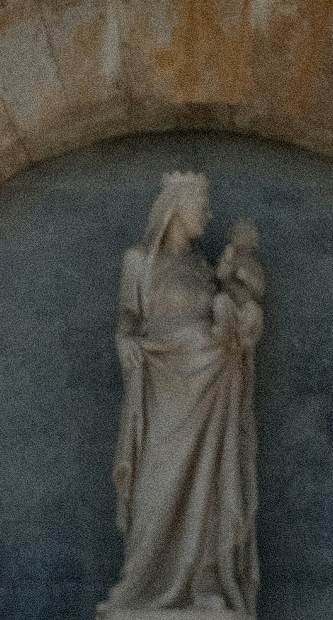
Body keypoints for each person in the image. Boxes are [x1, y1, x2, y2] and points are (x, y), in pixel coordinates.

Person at [102, 172, 263, 618]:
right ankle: (139, 586)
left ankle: (205, 580)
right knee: (156, 483)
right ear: (174, 206)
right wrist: (125, 343)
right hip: (163, 388)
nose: (207, 215)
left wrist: (241, 306)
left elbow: (230, 314)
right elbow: (128, 324)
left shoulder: (204, 269)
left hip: (212, 390)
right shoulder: (139, 261)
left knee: (211, 484)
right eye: (200, 204)